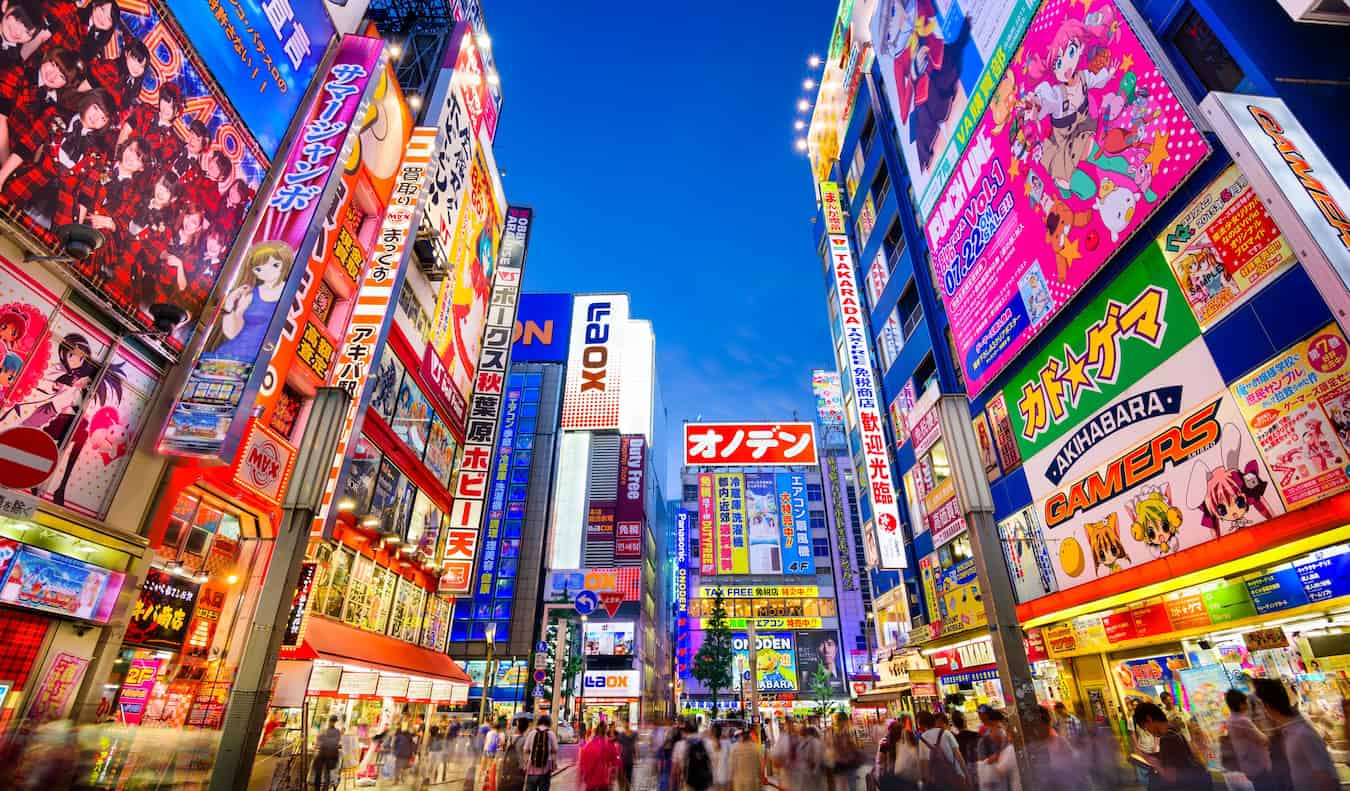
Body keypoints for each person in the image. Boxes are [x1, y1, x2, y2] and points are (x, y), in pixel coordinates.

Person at [1253, 677, 1338, 791]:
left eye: (1258, 707)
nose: (1257, 714)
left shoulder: (1302, 733)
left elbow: (1327, 777)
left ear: (1266, 706)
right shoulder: (1288, 731)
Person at [1132, 701, 1211, 791]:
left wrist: (1156, 764)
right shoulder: (1173, 729)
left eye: (1145, 727)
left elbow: (1171, 776)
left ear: (1149, 719)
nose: (1149, 732)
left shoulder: (1168, 738)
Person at [1222, 689, 1272, 791]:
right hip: (1259, 764)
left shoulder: (1230, 720)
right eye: (1245, 702)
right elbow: (1262, 739)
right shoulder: (1243, 721)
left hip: (1247, 764)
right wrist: (1269, 736)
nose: (1247, 705)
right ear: (1241, 705)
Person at [916, 711, 967, 791]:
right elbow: (958, 755)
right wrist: (966, 774)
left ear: (922, 725)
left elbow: (923, 763)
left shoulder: (922, 739)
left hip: (938, 780)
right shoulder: (946, 733)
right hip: (956, 774)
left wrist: (925, 780)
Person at [974, 710, 1016, 791]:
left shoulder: (1006, 738)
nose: (1001, 729)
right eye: (998, 725)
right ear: (991, 723)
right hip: (996, 784)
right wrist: (990, 760)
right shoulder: (984, 742)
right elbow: (982, 766)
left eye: (1001, 726)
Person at [875, 719, 919, 791]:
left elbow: (880, 760)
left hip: (892, 777)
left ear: (890, 731)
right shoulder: (909, 740)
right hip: (908, 774)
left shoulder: (885, 743)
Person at [826, 712, 864, 791]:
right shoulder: (842, 732)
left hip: (843, 762)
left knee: (846, 785)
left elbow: (832, 747)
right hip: (845, 762)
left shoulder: (836, 732)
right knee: (849, 785)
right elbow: (853, 745)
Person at [522, 715, 559, 791]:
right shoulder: (551, 733)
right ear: (549, 723)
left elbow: (525, 749)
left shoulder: (532, 733)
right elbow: (555, 749)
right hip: (545, 767)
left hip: (532, 765)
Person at [579, 723, 620, 791]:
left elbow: (583, 763)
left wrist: (585, 775)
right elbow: (615, 762)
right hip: (603, 781)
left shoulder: (588, 746)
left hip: (591, 782)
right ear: (606, 732)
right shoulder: (609, 745)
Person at [791, 726, 827, 791]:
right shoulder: (815, 741)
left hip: (804, 772)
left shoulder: (803, 742)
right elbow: (817, 757)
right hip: (813, 772)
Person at [312, 715, 341, 791]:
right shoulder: (337, 732)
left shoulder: (324, 730)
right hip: (329, 755)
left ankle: (319, 789)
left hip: (324, 754)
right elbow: (336, 743)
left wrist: (317, 745)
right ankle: (324, 789)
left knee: (321, 773)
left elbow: (319, 741)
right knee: (325, 773)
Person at [730, 727, 764, 791]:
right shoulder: (756, 747)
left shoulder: (734, 748)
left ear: (740, 737)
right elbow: (761, 767)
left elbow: (732, 768)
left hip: (740, 784)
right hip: (754, 783)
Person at [616, 721, 638, 791]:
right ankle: (625, 788)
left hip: (627, 757)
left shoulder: (631, 734)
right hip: (624, 757)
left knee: (627, 775)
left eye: (627, 723)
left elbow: (635, 745)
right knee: (624, 775)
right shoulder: (623, 734)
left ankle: (626, 788)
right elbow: (617, 743)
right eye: (625, 723)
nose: (626, 725)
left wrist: (636, 754)